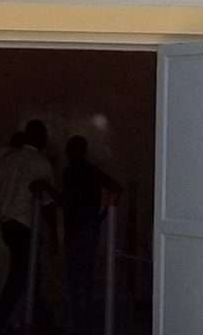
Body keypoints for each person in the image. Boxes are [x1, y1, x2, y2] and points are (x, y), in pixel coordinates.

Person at [0, 121, 56, 335]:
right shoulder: (40, 163)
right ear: (40, 137)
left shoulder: (8, 160)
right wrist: (54, 233)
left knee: (26, 276)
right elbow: (48, 203)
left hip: (8, 225)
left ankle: (40, 322)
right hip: (26, 227)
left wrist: (3, 220)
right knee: (20, 279)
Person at [61, 135, 121, 335]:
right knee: (82, 277)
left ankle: (79, 322)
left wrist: (102, 215)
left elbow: (66, 201)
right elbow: (116, 187)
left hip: (79, 229)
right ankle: (81, 321)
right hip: (84, 228)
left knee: (77, 277)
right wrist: (102, 216)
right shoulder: (87, 171)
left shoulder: (73, 172)